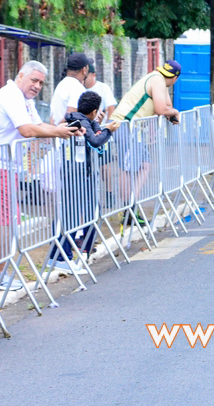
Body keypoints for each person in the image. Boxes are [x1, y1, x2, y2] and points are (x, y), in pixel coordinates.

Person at [0, 60, 82, 290]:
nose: (37, 86)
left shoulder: (24, 99)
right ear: (20, 76)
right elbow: (27, 130)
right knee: (6, 221)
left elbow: (38, 125)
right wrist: (58, 132)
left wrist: (66, 130)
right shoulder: (11, 95)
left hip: (1, 167)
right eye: (34, 80)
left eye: (41, 83)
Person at [45, 90, 118, 274]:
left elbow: (94, 134)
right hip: (75, 174)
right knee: (69, 216)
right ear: (94, 111)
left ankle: (67, 253)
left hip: (77, 173)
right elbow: (95, 141)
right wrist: (108, 130)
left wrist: (98, 124)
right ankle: (61, 257)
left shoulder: (80, 119)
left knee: (77, 213)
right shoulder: (80, 121)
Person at [111, 59, 181, 217]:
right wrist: (175, 113)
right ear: (175, 78)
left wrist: (170, 111)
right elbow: (162, 109)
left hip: (133, 128)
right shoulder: (158, 80)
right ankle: (128, 211)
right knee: (127, 169)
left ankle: (131, 204)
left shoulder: (159, 79)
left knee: (145, 164)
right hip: (126, 124)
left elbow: (167, 105)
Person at [50, 52, 90, 125]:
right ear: (84, 70)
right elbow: (71, 116)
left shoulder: (61, 84)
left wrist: (54, 130)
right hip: (66, 131)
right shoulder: (77, 88)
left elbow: (53, 117)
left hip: (56, 130)